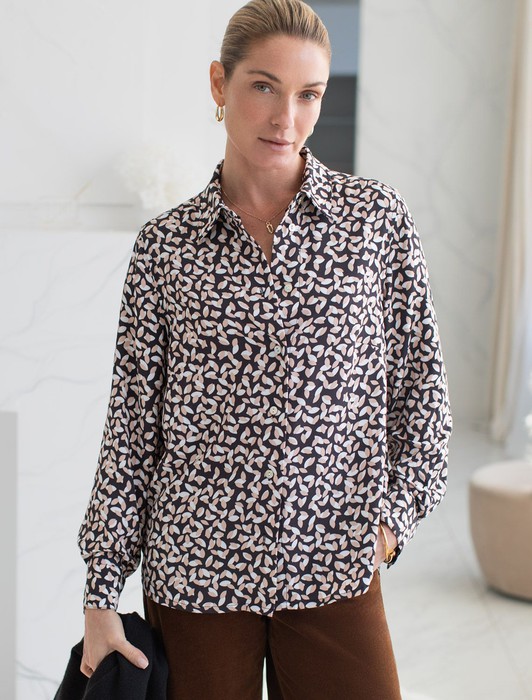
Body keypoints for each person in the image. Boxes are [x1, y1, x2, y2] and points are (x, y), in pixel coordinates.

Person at [77, 1, 453, 698]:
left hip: (333, 566)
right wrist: (101, 593)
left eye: (309, 94)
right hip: (195, 577)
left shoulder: (374, 222)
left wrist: (389, 525)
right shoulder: (166, 247)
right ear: (219, 84)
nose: (287, 118)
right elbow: (130, 429)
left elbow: (424, 395)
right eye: (264, 87)